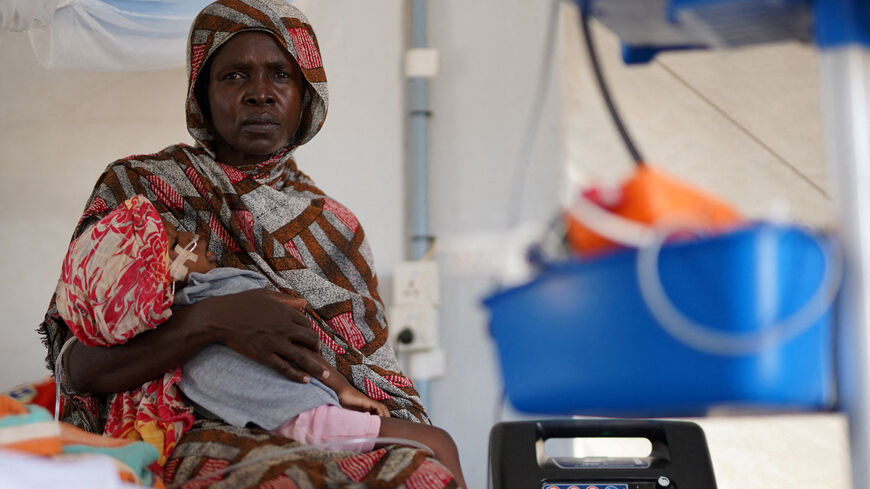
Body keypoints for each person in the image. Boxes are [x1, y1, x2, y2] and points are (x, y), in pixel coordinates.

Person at [38, 1, 463, 487]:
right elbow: (79, 367)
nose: (260, 93)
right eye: (234, 76)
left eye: (281, 74)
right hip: (180, 431)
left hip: (327, 423)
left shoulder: (336, 230)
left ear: (307, 93)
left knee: (419, 472)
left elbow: (375, 383)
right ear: (201, 94)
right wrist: (212, 320)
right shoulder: (141, 192)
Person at [55, 195, 467, 487]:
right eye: (181, 240)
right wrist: (342, 388)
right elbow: (79, 365)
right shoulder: (226, 289)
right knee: (437, 443)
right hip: (307, 417)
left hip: (267, 422)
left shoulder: (335, 224)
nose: (199, 239)